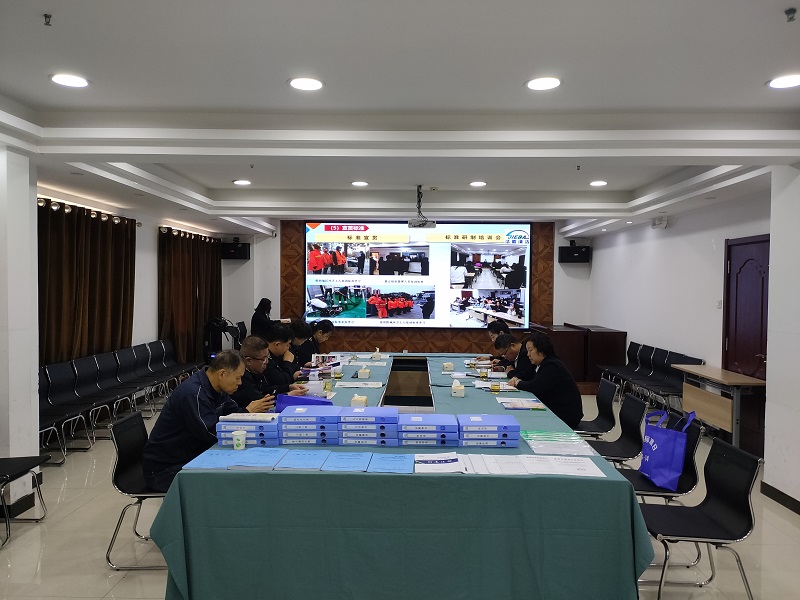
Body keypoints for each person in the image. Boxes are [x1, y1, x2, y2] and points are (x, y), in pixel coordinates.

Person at [142, 350, 272, 492]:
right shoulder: (193, 394)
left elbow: (233, 414)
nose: (240, 383)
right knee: (233, 481)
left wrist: (249, 413)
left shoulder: (217, 388)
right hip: (165, 470)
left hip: (192, 456)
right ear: (222, 374)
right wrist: (247, 412)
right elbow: (211, 434)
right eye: (238, 378)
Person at [508, 331, 583, 429]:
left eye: (530, 350)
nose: (528, 355)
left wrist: (517, 383)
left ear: (541, 350)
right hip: (553, 408)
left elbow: (534, 387)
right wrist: (516, 377)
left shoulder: (552, 365)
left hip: (564, 415)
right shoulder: (539, 363)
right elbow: (525, 374)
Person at [232, 336, 308, 409]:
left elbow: (266, 390)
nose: (267, 362)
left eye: (267, 357)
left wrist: (288, 387)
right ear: (248, 361)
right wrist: (287, 395)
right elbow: (260, 400)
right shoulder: (242, 378)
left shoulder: (256, 371)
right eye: (263, 359)